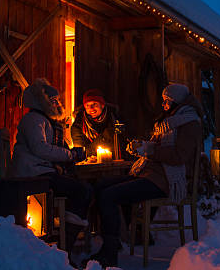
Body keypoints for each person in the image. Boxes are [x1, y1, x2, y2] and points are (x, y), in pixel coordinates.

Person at [87, 83, 203, 268]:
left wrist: (149, 151)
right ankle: (118, 239)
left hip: (166, 179)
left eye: (167, 101)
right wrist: (142, 146)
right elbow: (159, 147)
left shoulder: (188, 123)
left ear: (178, 102)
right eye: (163, 100)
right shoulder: (170, 121)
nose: (163, 104)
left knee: (110, 195)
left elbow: (179, 156)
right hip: (151, 173)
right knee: (102, 185)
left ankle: (109, 252)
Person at [10, 78, 91, 262]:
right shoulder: (33, 120)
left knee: (80, 188)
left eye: (57, 100)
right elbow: (40, 148)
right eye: (53, 100)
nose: (58, 103)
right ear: (42, 101)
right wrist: (70, 155)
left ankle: (66, 243)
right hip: (33, 174)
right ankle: (66, 249)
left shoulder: (43, 121)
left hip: (41, 171)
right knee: (82, 190)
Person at [71, 89, 128, 160]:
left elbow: (122, 142)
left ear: (102, 105)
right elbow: (81, 152)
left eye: (94, 104)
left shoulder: (115, 119)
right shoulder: (78, 125)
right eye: (87, 105)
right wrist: (105, 138)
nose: (91, 108)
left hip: (115, 162)